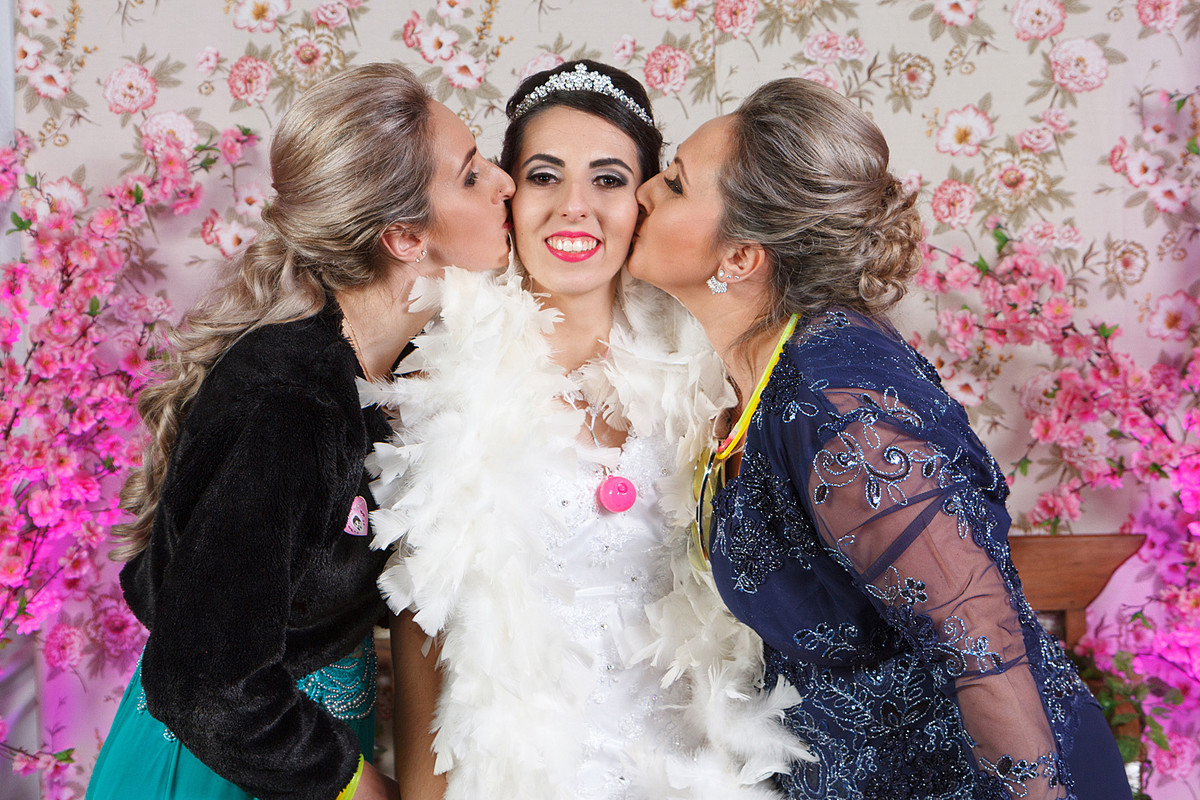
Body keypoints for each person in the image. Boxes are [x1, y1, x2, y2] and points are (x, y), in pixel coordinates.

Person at [628, 77, 1132, 800]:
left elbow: (980, 646)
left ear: (739, 256)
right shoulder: (764, 374)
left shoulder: (833, 406)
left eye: (675, 182)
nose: (646, 190)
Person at [367, 60, 809, 800]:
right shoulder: (433, 379)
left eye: (608, 179)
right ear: (508, 195)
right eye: (544, 176)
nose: (574, 207)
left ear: (643, 201)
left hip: (694, 776)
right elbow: (426, 627)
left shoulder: (714, 373)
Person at [85, 62, 514, 800]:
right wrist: (362, 789)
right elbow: (204, 686)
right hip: (227, 769)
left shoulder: (384, 372)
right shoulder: (290, 404)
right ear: (406, 236)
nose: (505, 184)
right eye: (472, 175)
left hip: (310, 750)